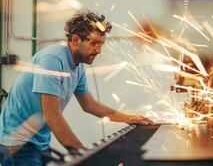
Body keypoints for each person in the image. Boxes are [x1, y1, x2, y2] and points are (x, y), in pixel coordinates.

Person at [0, 11, 153, 166]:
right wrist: (85, 155)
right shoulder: (52, 60)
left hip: (40, 142)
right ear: (75, 40)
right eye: (94, 43)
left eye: (101, 44)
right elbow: (52, 116)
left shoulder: (77, 67)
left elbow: (89, 104)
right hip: (17, 144)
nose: (99, 50)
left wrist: (127, 118)